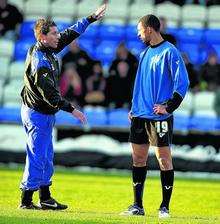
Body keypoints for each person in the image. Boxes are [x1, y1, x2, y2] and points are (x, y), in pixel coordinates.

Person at [19, 3, 106, 210]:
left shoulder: (47, 47)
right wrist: (73, 110)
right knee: (37, 155)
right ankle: (26, 200)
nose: (59, 36)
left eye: (57, 33)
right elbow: (50, 96)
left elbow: (70, 33)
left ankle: (45, 198)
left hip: (43, 112)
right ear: (43, 37)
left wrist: (92, 18)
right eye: (54, 33)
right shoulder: (40, 61)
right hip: (37, 113)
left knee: (46, 156)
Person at [121, 15, 189, 218]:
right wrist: (134, 108)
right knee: (138, 158)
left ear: (150, 29)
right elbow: (140, 84)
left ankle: (164, 207)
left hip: (159, 118)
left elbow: (182, 83)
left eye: (140, 30)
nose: (138, 33)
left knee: (164, 159)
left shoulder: (170, 51)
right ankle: (137, 206)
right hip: (140, 116)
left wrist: (169, 107)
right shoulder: (143, 55)